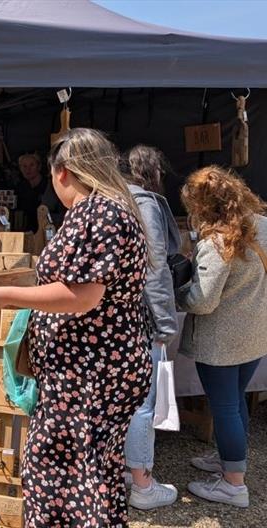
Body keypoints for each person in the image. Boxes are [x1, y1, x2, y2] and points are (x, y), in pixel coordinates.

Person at [0, 128, 151, 525]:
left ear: (62, 171)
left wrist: (4, 297)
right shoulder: (110, 209)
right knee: (86, 471)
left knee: (63, 471)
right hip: (89, 369)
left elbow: (83, 295)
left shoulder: (98, 212)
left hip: (89, 372)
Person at [176, 166, 267, 508]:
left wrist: (178, 293)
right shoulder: (263, 225)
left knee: (225, 406)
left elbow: (203, 301)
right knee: (235, 400)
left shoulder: (217, 241)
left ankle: (233, 484)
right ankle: (231, 460)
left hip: (220, 341)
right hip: (256, 332)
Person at [117, 145, 182, 509]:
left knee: (119, 399)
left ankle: (124, 472)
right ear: (154, 173)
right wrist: (166, 323)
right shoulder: (145, 204)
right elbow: (155, 268)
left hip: (112, 319)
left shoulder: (109, 200)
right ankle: (142, 484)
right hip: (141, 318)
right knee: (142, 402)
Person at [13, 152, 63, 231]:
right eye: (24, 166)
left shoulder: (49, 185)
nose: (28, 169)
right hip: (28, 230)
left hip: (49, 229)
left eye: (32, 165)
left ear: (39, 167)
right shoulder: (20, 188)